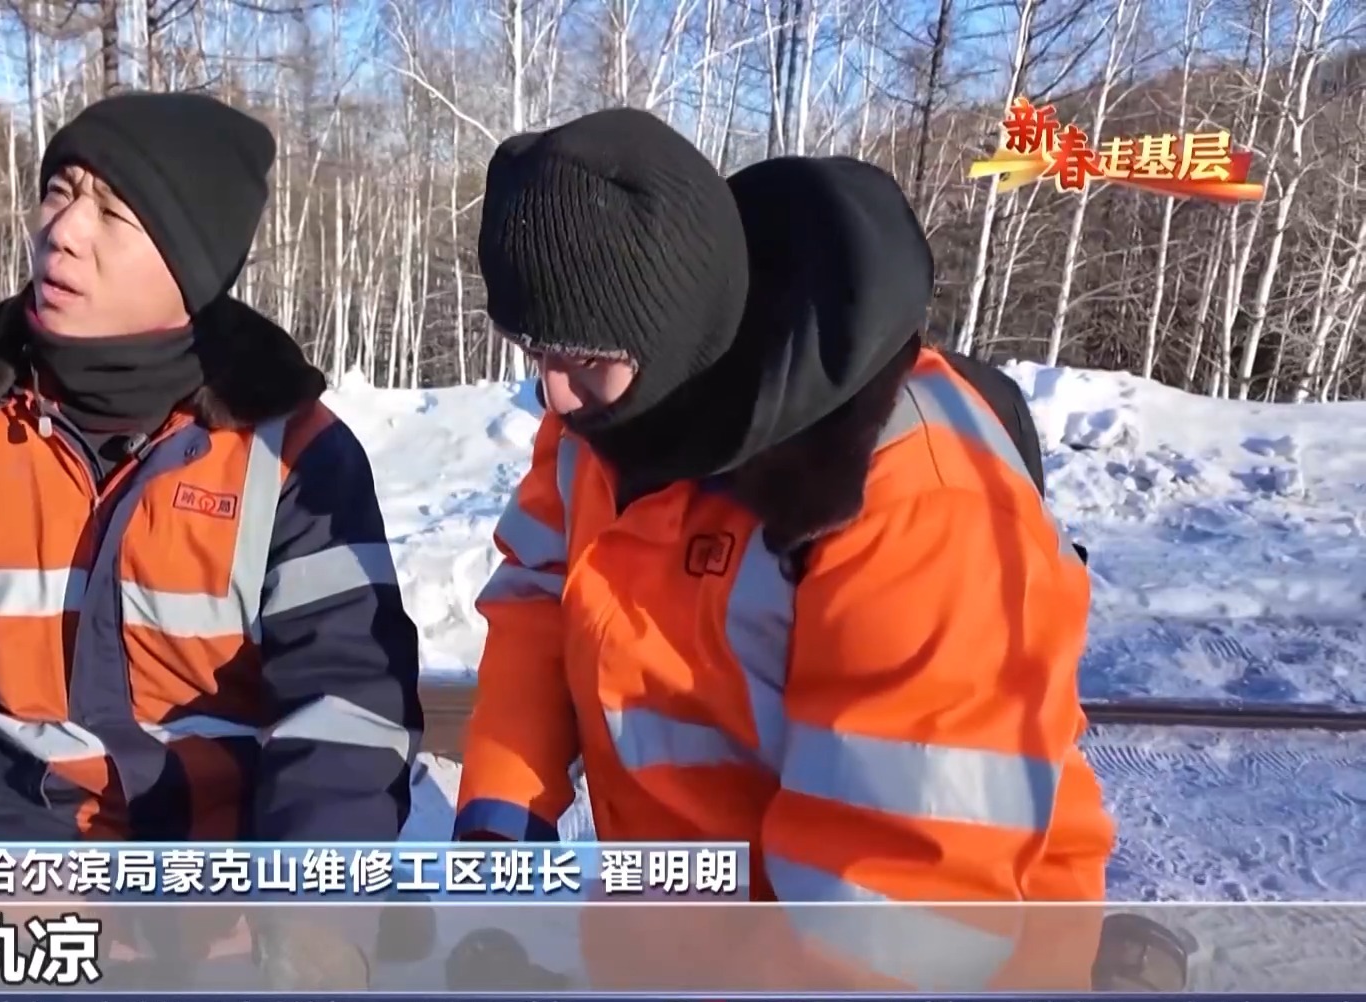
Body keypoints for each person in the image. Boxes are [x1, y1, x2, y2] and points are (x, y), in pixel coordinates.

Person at [452, 109, 1117, 991]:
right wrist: (502, 812)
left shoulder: (918, 492)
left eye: (581, 358)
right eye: (535, 353)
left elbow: (904, 911)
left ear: (672, 329)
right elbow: (538, 600)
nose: (555, 396)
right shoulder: (604, 421)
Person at [0, 90, 421, 988]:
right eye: (59, 191)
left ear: (191, 266)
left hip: (229, 872)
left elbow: (346, 708)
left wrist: (307, 928)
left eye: (113, 212)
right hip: (13, 860)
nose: (63, 231)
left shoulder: (293, 453)